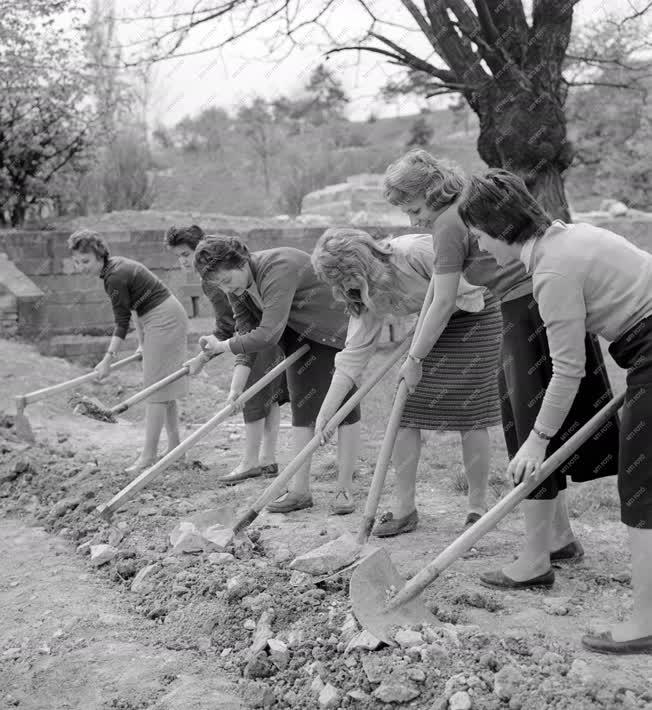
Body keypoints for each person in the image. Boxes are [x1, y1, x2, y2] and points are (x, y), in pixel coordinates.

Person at [384, 149, 620, 584]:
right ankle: (559, 538)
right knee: (534, 426)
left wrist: (415, 358)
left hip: (527, 311)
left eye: (414, 209)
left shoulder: (449, 223)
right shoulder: (459, 212)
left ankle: (535, 561)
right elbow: (438, 290)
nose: (412, 222)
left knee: (527, 428)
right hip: (532, 306)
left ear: (431, 194)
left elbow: (442, 300)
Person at [458, 168, 652, 655]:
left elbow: (567, 372)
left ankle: (647, 623)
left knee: (643, 486)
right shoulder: (572, 236)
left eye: (479, 236)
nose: (480, 248)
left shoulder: (552, 270)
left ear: (501, 230)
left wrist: (537, 439)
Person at [312, 228, 502, 532]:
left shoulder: (415, 252)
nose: (345, 285)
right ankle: (405, 508)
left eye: (347, 276)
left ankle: (477, 507)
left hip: (474, 315)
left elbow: (464, 291)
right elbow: (353, 355)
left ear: (362, 262)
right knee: (406, 412)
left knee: (471, 414)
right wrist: (327, 413)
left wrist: (420, 345)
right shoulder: (361, 292)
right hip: (427, 327)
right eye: (338, 281)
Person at [194, 235, 361, 515]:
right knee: (302, 406)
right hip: (296, 333)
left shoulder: (277, 268)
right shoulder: (238, 285)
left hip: (332, 329)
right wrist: (238, 386)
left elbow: (268, 333)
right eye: (219, 285)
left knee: (344, 408)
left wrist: (221, 346)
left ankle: (344, 490)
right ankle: (299, 491)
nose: (227, 289)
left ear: (241, 261)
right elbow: (246, 329)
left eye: (226, 280)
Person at [165, 225, 288, 484]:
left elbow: (228, 327)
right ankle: (267, 460)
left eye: (187, 254)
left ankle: (252, 461)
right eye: (179, 256)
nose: (183, 261)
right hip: (264, 331)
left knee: (254, 395)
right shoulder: (218, 279)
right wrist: (201, 358)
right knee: (270, 396)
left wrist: (204, 358)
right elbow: (231, 325)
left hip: (262, 333)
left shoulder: (216, 282)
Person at [68, 229, 189, 473]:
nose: (81, 266)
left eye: (86, 261)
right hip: (164, 315)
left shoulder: (114, 277)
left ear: (100, 256)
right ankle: (177, 449)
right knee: (163, 387)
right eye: (77, 262)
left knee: (154, 391)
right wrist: (143, 343)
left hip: (163, 320)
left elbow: (121, 322)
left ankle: (148, 455)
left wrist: (107, 359)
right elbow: (135, 309)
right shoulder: (114, 268)